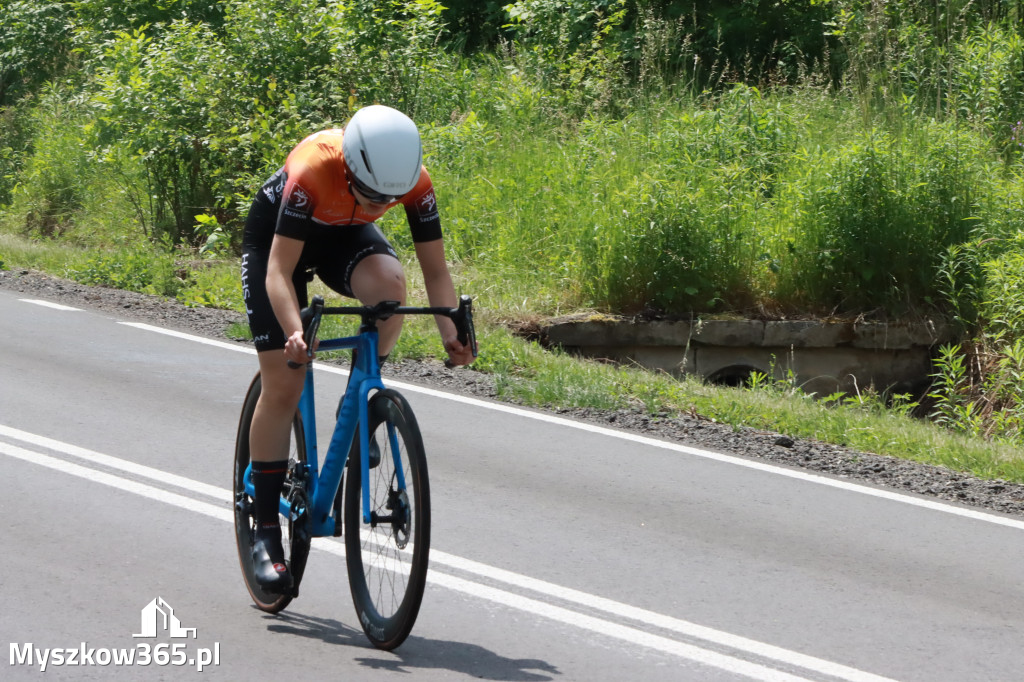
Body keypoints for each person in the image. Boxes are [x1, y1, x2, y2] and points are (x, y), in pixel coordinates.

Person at [240, 104, 475, 592]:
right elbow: (278, 274)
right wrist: (295, 332)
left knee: (391, 290)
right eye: (369, 195)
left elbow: (435, 271)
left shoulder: (414, 180)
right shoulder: (312, 170)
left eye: (386, 200)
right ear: (350, 165)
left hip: (340, 240)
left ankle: (360, 403)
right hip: (277, 244)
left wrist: (450, 329)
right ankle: (265, 532)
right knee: (284, 384)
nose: (376, 207)